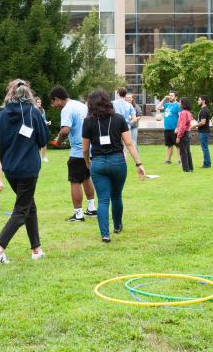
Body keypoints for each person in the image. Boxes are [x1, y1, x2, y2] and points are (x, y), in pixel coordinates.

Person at [0, 79, 49, 264]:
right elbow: (43, 138)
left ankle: (36, 249)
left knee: (29, 205)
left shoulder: (2, 115)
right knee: (22, 209)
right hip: (28, 169)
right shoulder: (33, 113)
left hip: (11, 169)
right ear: (28, 94)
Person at [81, 90, 146, 243]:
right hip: (118, 162)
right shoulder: (118, 119)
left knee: (103, 200)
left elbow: (85, 148)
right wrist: (139, 164)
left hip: (98, 162)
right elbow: (129, 143)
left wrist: (87, 162)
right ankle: (117, 226)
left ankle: (105, 234)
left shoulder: (88, 122)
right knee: (116, 196)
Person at [49, 86, 97, 222]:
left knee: (75, 181)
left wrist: (58, 143)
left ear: (57, 99)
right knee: (87, 178)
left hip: (78, 151)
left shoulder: (66, 109)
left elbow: (65, 131)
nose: (54, 106)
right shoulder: (80, 105)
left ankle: (78, 214)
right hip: (90, 148)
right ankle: (92, 208)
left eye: (53, 103)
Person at [156, 93, 181, 164]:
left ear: (175, 97)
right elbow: (157, 107)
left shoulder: (177, 105)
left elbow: (180, 117)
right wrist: (164, 98)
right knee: (169, 145)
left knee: (178, 146)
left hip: (174, 129)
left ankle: (179, 160)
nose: (170, 97)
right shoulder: (167, 105)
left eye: (171, 96)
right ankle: (168, 160)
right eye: (169, 95)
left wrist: (178, 127)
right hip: (167, 128)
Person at [174, 97, 194, 172]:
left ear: (183, 104)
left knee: (183, 152)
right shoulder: (188, 112)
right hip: (188, 133)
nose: (179, 103)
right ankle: (190, 167)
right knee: (187, 151)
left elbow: (182, 126)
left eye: (180, 102)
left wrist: (178, 136)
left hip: (184, 134)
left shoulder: (183, 113)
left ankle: (186, 169)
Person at [195, 96, 212, 168]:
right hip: (203, 132)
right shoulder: (203, 110)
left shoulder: (204, 110)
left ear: (203, 101)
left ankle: (207, 164)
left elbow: (203, 122)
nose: (198, 101)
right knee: (205, 148)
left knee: (204, 148)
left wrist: (194, 126)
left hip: (204, 132)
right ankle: (207, 163)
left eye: (199, 100)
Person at [36, 97, 50, 163]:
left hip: (43, 128)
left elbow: (44, 120)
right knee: (36, 144)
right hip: (36, 129)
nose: (39, 103)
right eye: (38, 102)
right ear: (35, 103)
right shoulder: (33, 110)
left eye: (40, 102)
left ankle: (44, 157)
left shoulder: (42, 110)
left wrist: (47, 122)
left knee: (44, 142)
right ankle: (38, 157)